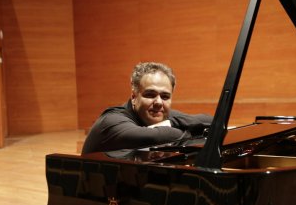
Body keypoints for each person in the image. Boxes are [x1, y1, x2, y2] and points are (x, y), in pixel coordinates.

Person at [82, 62, 213, 154]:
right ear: (134, 96)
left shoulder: (160, 113)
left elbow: (211, 120)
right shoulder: (111, 121)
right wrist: (190, 132)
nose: (158, 102)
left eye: (165, 96)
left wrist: (172, 122)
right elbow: (153, 138)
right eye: (150, 95)